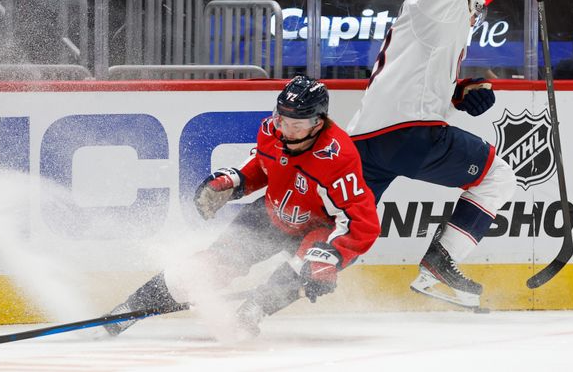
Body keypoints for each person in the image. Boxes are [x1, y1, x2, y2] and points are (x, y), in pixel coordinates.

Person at [348, 0, 553, 309]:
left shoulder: (430, 23)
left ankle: (251, 278)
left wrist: (458, 94)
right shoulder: (437, 5)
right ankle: (440, 262)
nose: (478, 18)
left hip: (367, 138)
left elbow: (411, 78)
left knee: (341, 225)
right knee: (497, 177)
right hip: (409, 133)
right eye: (480, 8)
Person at [104, 76, 381, 338]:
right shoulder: (272, 131)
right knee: (213, 264)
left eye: (297, 125)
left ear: (318, 123)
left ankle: (253, 311)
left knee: (299, 270)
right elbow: (264, 167)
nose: (286, 130)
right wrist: (235, 181)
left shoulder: (338, 157)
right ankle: (129, 309)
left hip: (319, 228)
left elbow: (361, 221)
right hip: (272, 214)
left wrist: (330, 257)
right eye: (283, 120)